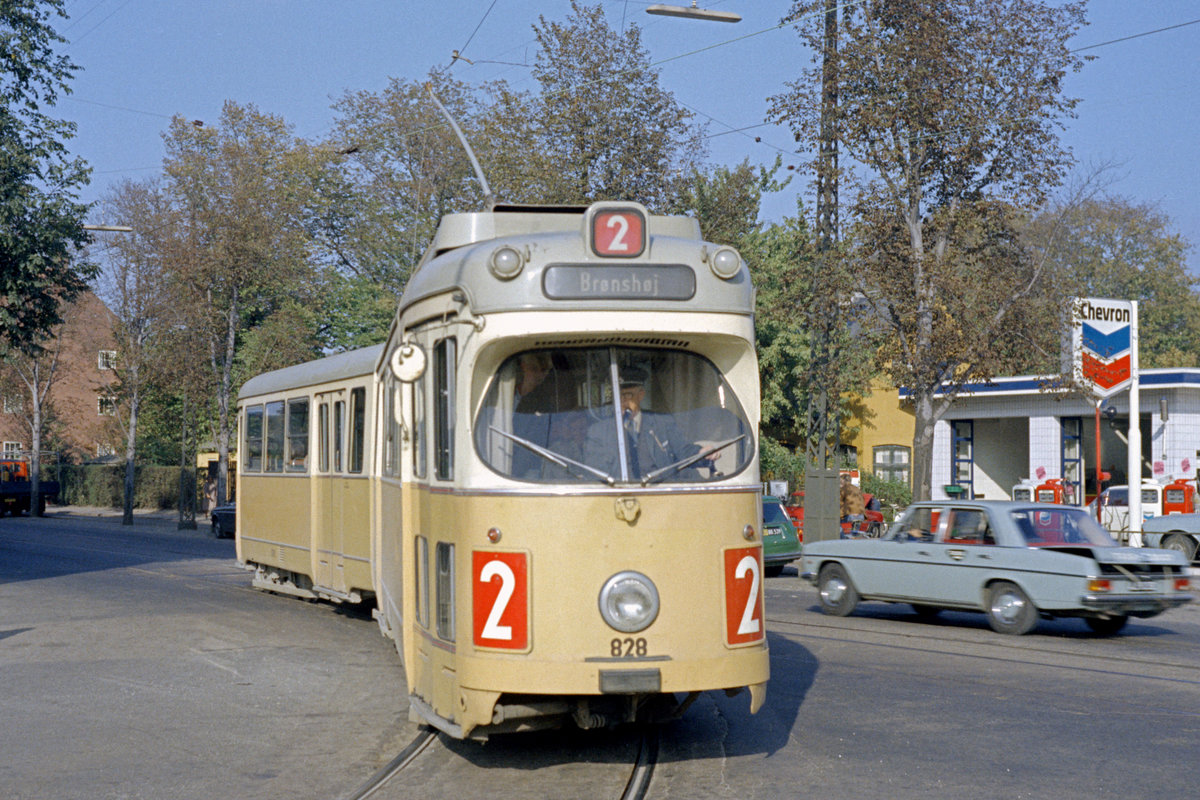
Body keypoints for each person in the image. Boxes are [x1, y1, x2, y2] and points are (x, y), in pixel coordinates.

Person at [584, 366, 711, 481]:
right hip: (618, 493)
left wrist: (702, 453)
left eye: (627, 395)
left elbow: (683, 451)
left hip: (661, 492)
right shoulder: (598, 431)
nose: (622, 402)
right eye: (618, 396)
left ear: (641, 395)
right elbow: (595, 473)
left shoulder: (662, 422)